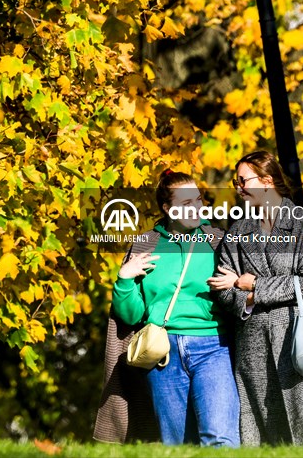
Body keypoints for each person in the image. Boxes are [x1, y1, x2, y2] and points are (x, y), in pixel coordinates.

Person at [208, 150, 303, 446]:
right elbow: (224, 288)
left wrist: (254, 283)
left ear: (267, 181)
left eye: (243, 181)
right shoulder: (237, 233)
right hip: (256, 353)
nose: (238, 188)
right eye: (236, 181)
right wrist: (251, 298)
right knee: (266, 441)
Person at [101, 170, 239, 447]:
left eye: (198, 200)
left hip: (214, 346)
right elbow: (131, 316)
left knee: (221, 436)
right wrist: (125, 280)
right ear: (167, 208)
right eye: (187, 203)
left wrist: (238, 282)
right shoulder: (146, 244)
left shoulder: (218, 241)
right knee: (175, 444)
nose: (197, 208)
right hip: (162, 351)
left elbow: (240, 291)